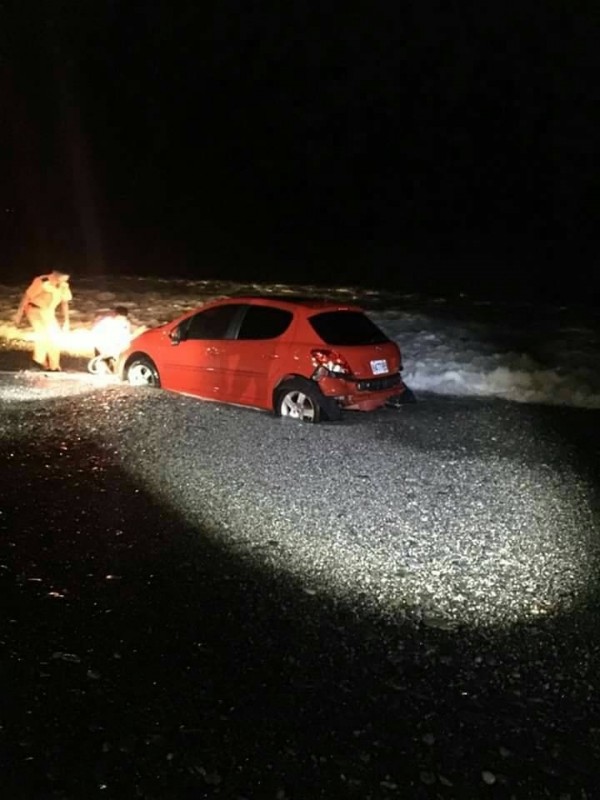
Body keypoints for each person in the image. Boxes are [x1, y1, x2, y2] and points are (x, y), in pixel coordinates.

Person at [14, 270, 72, 371]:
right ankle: (39, 362)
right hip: (34, 309)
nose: (67, 278)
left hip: (49, 312)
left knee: (55, 336)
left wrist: (66, 321)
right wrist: (19, 313)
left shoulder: (63, 285)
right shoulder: (42, 281)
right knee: (43, 334)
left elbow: (64, 302)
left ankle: (54, 366)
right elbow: (27, 297)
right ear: (57, 273)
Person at [88, 306, 138, 374]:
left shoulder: (122, 323)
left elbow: (125, 339)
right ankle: (105, 367)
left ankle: (110, 368)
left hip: (114, 349)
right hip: (108, 348)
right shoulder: (110, 322)